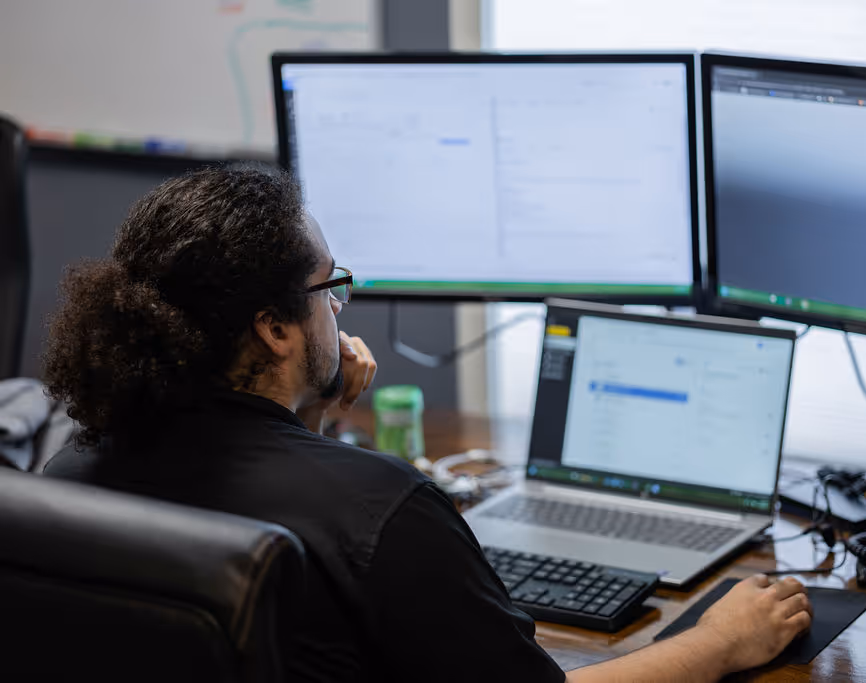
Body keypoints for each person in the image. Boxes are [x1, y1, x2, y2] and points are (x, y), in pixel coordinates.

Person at [42, 166, 812, 683]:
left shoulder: (74, 472)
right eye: (327, 288)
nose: (336, 308)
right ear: (275, 327)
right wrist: (717, 643)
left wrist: (306, 415)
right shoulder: (383, 509)